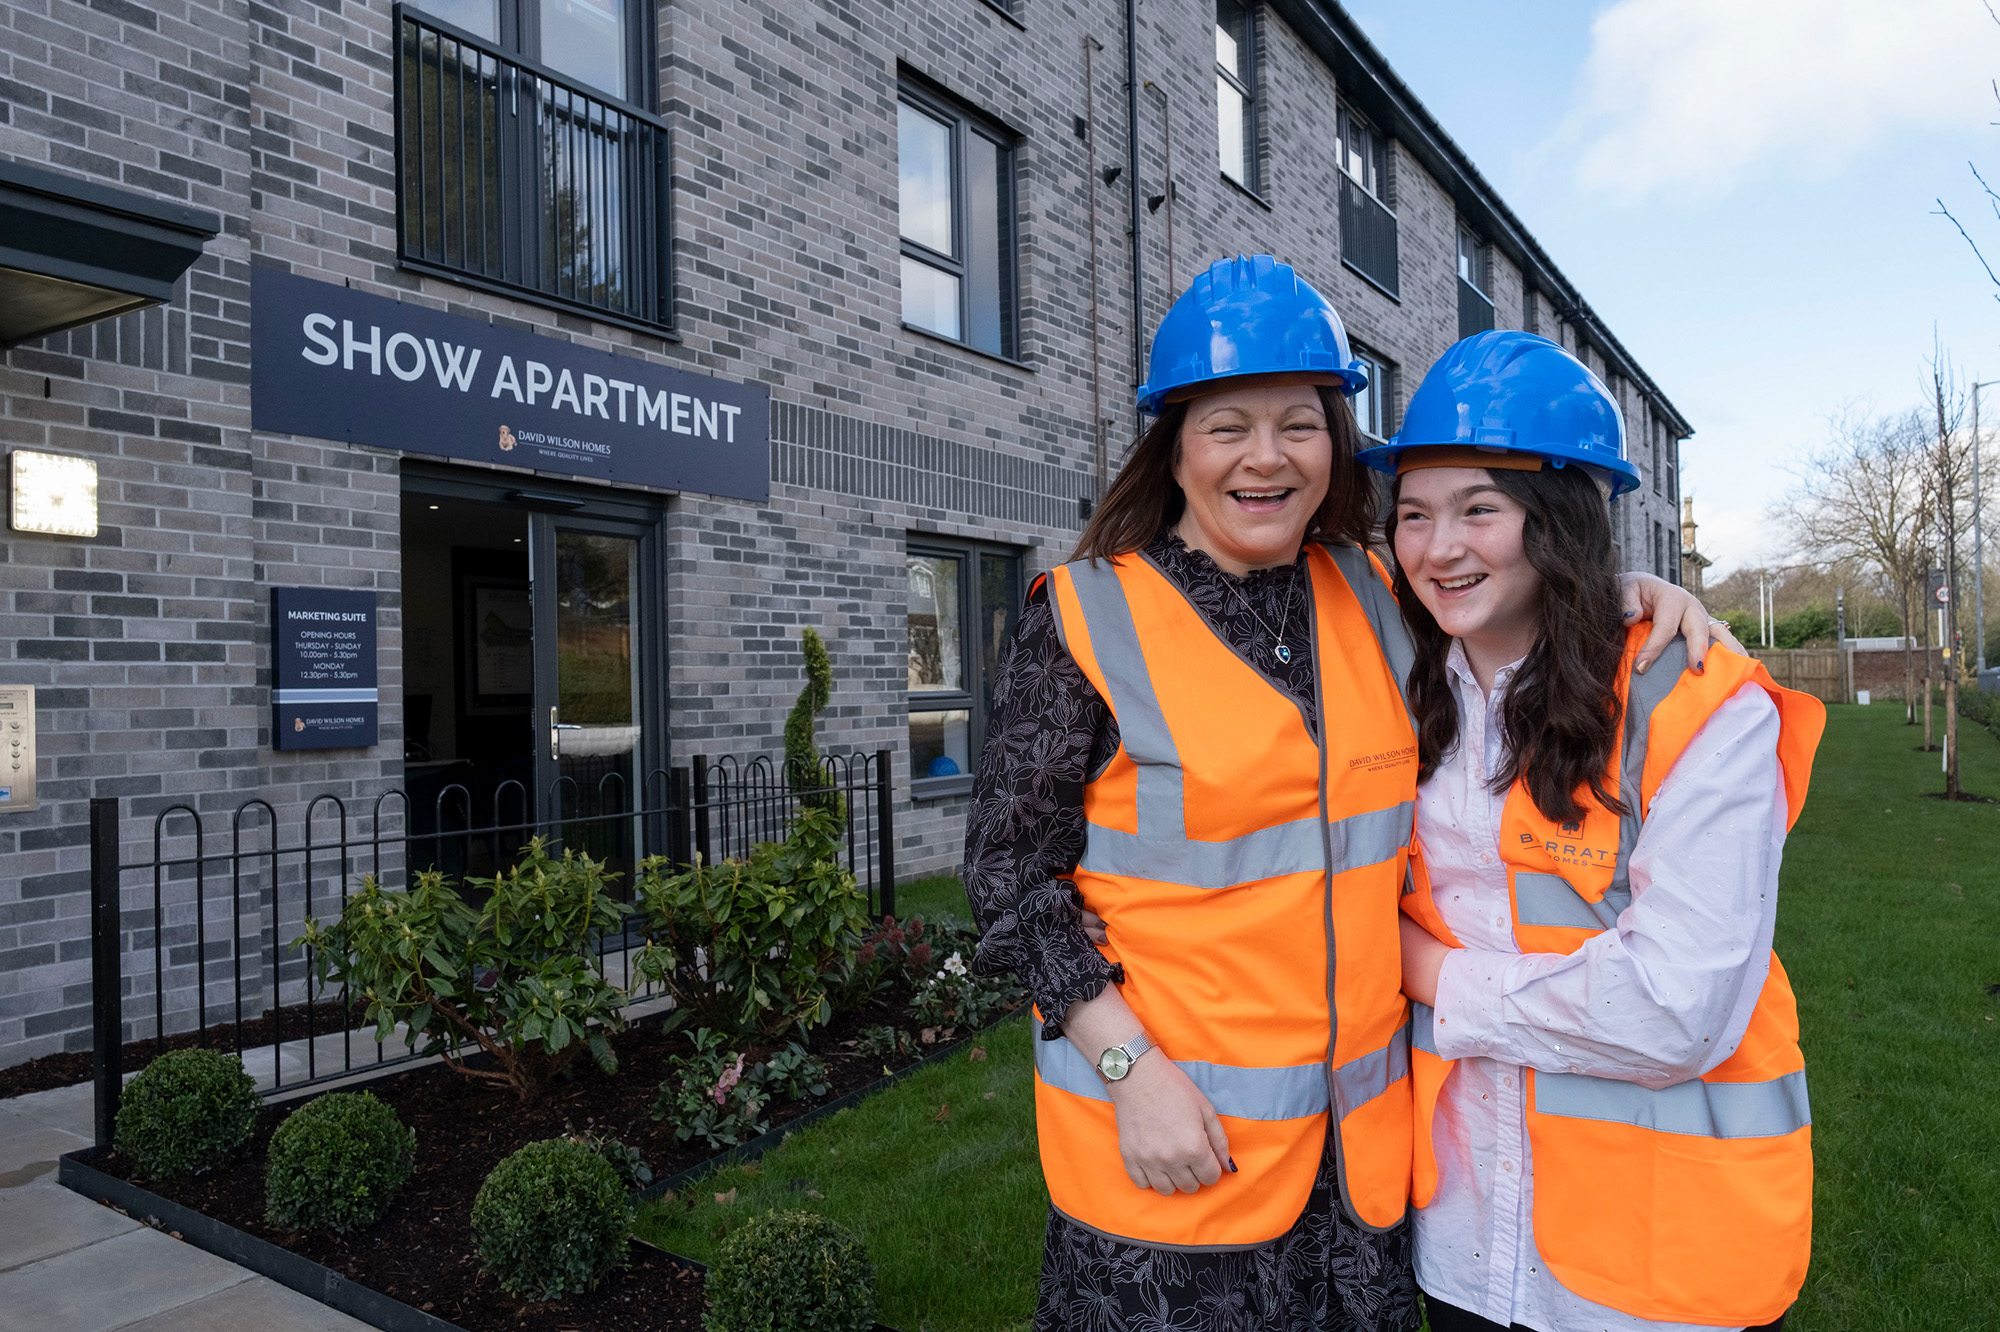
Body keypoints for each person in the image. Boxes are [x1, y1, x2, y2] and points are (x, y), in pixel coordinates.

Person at [964, 258, 1724, 1331]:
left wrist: (1623, 594)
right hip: (1170, 1154)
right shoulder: (1085, 617)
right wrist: (1128, 1072)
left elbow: (1499, 590)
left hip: (1358, 1177)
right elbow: (1003, 879)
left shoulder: (1377, 591)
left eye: (1298, 424)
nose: (1265, 458)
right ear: (1172, 447)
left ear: (1334, 442)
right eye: (1227, 426)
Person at [1363, 330, 1821, 1332]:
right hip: (1460, 1241)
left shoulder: (1695, 704)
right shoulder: (1393, 683)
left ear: (1560, 520)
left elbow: (1672, 1009)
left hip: (1653, 1267)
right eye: (1411, 514)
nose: (1438, 546)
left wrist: (1426, 972)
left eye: (1479, 508)